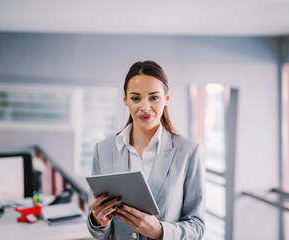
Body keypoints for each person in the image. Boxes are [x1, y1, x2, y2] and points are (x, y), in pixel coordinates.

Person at [86, 60, 205, 240]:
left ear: (167, 98)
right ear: (125, 99)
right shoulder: (103, 150)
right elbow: (100, 232)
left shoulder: (189, 152)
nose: (144, 107)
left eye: (154, 97)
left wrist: (159, 231)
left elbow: (197, 227)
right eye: (135, 98)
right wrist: (97, 220)